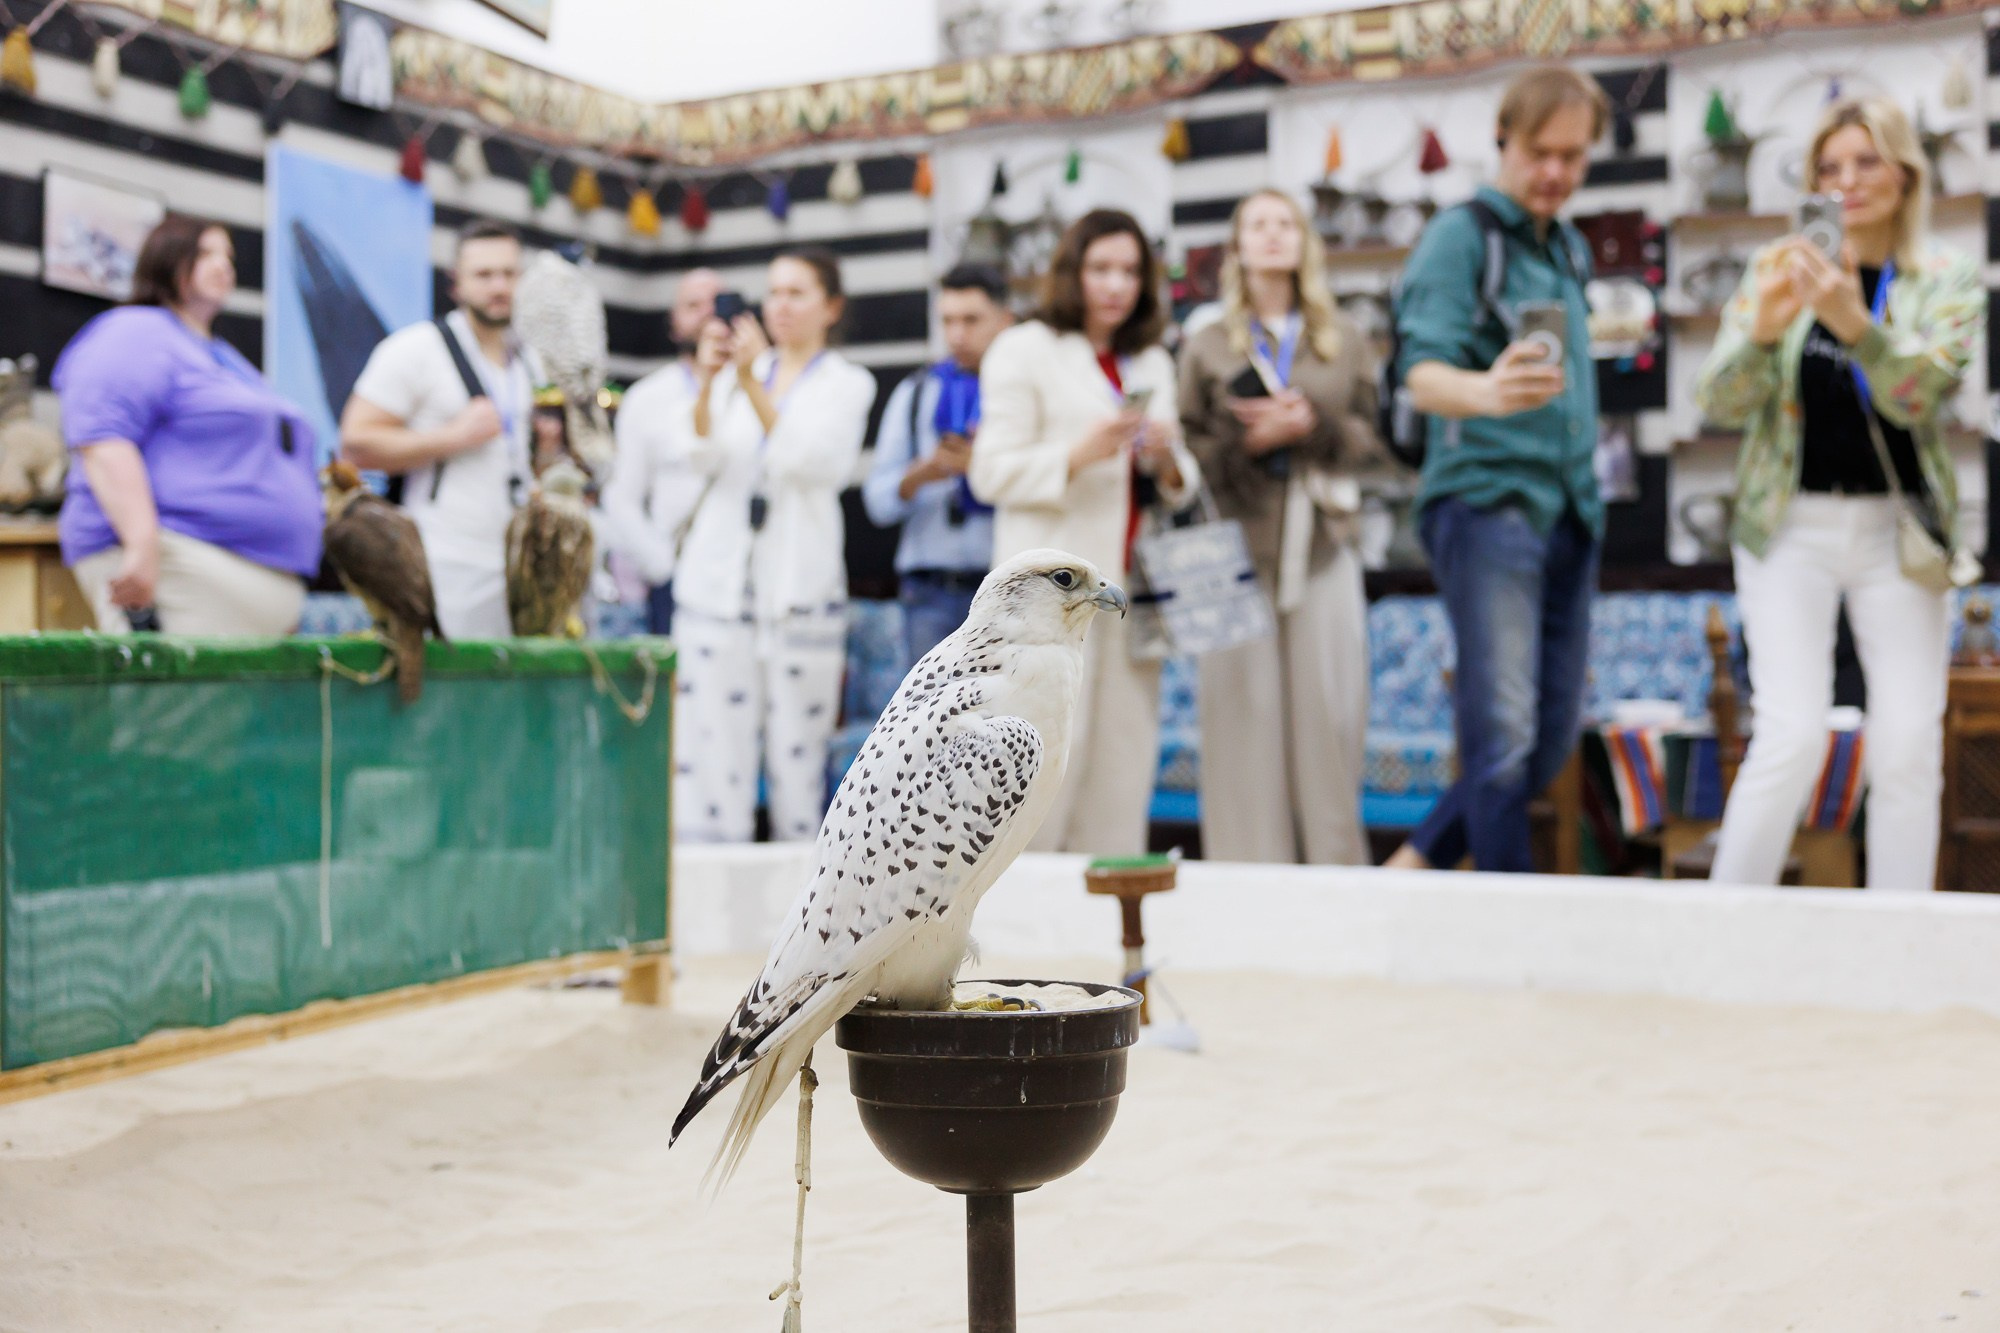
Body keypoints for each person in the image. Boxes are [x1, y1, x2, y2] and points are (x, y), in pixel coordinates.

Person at [1696, 96, 1984, 892]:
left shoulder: (1947, 279)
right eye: (1830, 167)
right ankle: (1721, 930)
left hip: (1902, 532)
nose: (1848, 181)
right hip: (1789, 527)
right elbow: (1716, 403)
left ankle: (1895, 941)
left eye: (1866, 161)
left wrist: (1859, 326)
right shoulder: (1771, 272)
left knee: (1907, 745)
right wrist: (1762, 331)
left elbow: (1923, 397)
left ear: (1905, 173)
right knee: (1789, 731)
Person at [1387, 65, 1605, 874]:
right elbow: (1420, 371)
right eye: (1541, 152)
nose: (1555, 172)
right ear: (1504, 141)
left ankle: (1412, 864)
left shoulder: (1571, 247)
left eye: (1574, 157)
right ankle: (1505, 929)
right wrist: (1485, 389)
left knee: (1545, 738)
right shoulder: (1460, 236)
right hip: (1487, 505)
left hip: (1572, 509)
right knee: (1504, 737)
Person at [971, 208, 1201, 857]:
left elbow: (1179, 475)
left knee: (1122, 772)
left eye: (1130, 270)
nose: (1116, 284)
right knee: (1038, 776)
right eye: (1101, 268)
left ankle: (1108, 933)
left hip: (1132, 592)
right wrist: (1079, 453)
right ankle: (1028, 935)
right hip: (1045, 606)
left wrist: (1164, 459)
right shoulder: (1023, 348)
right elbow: (989, 471)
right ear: (1072, 272)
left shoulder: (1152, 355)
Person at [1178, 189, 1387, 865]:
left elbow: (1370, 436)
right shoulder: (1206, 342)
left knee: (1329, 724)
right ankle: (1247, 889)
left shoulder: (1343, 339)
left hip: (1323, 545)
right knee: (1240, 729)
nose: (1271, 235)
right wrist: (1251, 444)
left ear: (1303, 240)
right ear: (1237, 246)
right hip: (1231, 553)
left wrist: (1312, 426)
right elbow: (1189, 453)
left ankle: (1336, 883)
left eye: (1284, 223)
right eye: (1256, 225)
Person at [673, 249, 877, 843]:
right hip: (719, 589)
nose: (779, 306)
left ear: (831, 307)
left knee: (798, 764)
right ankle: (713, 907)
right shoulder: (743, 374)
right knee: (711, 762)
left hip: (798, 593)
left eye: (796, 293)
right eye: (773, 293)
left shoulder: (847, 383)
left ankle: (800, 916)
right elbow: (702, 456)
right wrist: (712, 383)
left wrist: (751, 379)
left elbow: (811, 463)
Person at [57, 214, 321, 635]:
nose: (223, 266)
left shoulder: (222, 356)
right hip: (170, 559)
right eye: (205, 253)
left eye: (228, 257)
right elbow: (103, 438)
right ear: (167, 258)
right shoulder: (135, 332)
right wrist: (142, 545)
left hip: (247, 580)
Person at [341, 219, 543, 639]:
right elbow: (356, 442)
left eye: (509, 273)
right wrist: (453, 437)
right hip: (443, 557)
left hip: (512, 561)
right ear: (457, 283)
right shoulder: (417, 349)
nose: (498, 286)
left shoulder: (528, 360)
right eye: (484, 275)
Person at [861, 262, 1013, 666]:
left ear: (1004, 320)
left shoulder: (1020, 394)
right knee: (928, 720)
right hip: (929, 586)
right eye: (947, 321)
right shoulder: (916, 392)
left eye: (971, 320)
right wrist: (921, 475)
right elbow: (877, 502)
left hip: (1008, 585)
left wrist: (982, 468)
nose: (957, 335)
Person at [603, 268, 721, 636]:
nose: (705, 313)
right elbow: (621, 497)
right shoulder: (647, 398)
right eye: (692, 305)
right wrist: (662, 567)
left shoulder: (759, 388)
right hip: (677, 575)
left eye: (716, 304)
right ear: (674, 321)